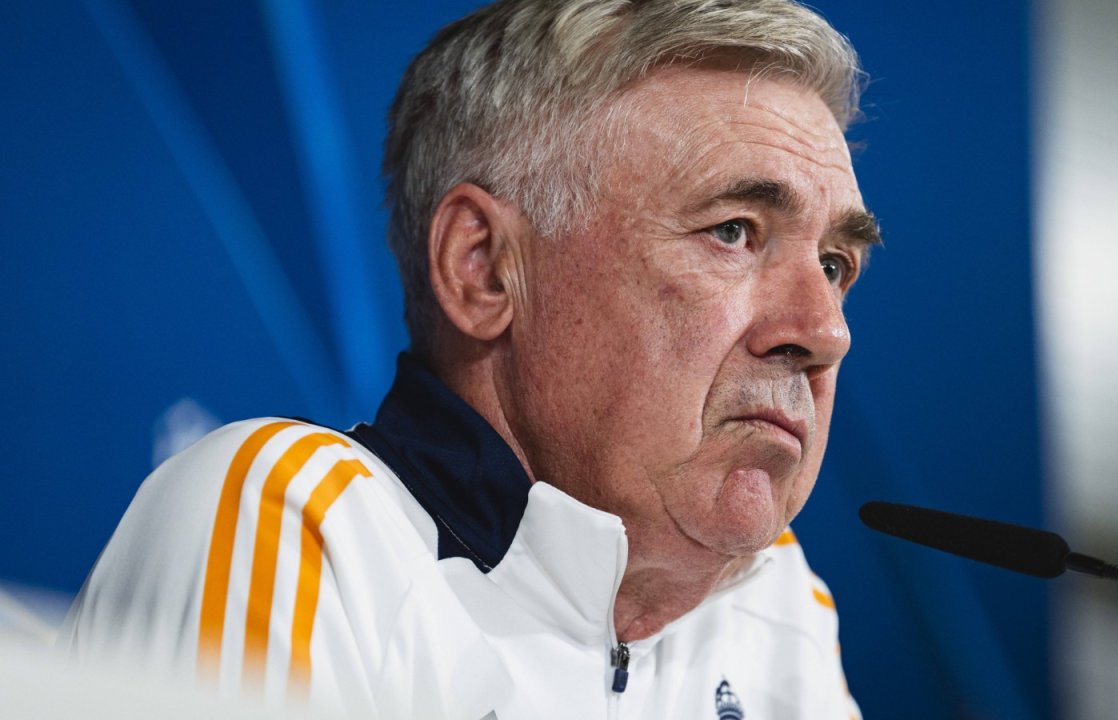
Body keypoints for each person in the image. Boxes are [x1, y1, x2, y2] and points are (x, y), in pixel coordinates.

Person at [61, 0, 881, 717]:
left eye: (835, 265)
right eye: (733, 232)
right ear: (483, 269)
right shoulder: (302, 523)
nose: (824, 331)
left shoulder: (776, 607)